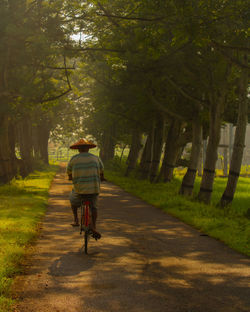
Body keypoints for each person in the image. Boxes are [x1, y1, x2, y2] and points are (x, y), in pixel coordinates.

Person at [66, 138, 105, 239]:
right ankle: (94, 226)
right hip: (94, 189)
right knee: (94, 207)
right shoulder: (96, 158)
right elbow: (101, 171)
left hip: (79, 190)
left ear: (78, 149)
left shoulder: (74, 159)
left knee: (72, 200)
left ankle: (76, 219)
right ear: (88, 149)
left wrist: (71, 177)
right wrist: (102, 177)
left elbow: (69, 171)